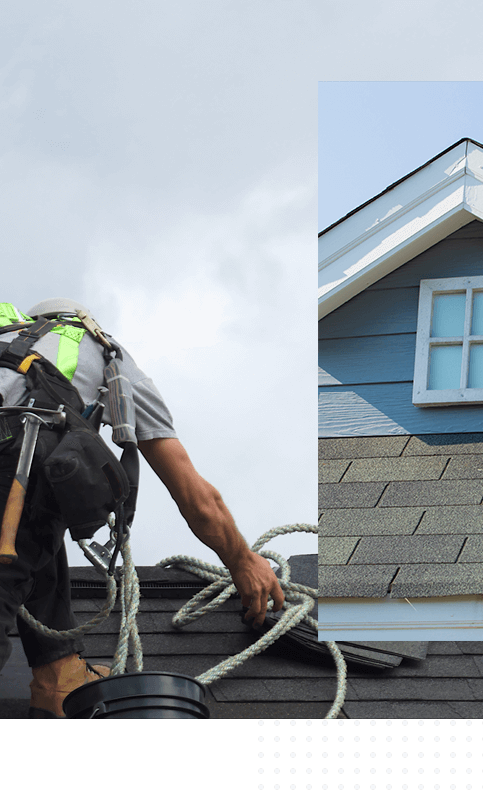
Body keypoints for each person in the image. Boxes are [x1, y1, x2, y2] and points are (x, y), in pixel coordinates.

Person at [0, 299, 284, 718]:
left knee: (44, 524)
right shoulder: (106, 354)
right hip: (11, 473)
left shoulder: (7, 341)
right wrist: (242, 561)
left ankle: (58, 678)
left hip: (22, 489)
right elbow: (194, 495)